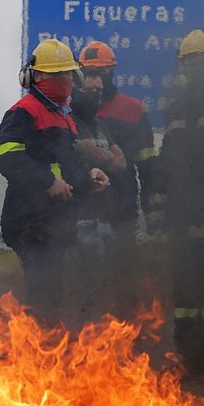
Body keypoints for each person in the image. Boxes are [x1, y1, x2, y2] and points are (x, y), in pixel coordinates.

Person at [0, 39, 110, 321]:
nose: (65, 81)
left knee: (53, 295)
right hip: (30, 222)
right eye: (57, 75)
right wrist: (47, 182)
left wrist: (87, 179)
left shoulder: (62, 116)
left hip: (54, 223)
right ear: (38, 77)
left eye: (68, 74)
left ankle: (46, 350)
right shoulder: (24, 111)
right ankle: (35, 353)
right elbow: (6, 156)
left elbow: (65, 168)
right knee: (43, 296)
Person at [78, 41, 159, 313]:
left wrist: (153, 211)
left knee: (123, 282)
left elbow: (147, 167)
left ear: (112, 72)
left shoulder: (132, 109)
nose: (94, 80)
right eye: (88, 73)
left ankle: (126, 344)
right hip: (82, 212)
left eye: (100, 73)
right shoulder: (70, 110)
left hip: (122, 211)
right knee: (84, 287)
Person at [153, 29, 204, 376]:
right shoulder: (175, 110)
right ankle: (190, 358)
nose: (195, 68)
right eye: (190, 62)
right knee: (185, 296)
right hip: (183, 221)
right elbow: (165, 164)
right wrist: (158, 211)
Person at [66, 69, 127, 325]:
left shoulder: (99, 126)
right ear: (77, 91)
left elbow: (120, 162)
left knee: (102, 290)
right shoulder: (70, 122)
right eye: (90, 91)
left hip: (105, 217)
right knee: (80, 291)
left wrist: (107, 158)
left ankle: (94, 346)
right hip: (81, 219)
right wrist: (106, 158)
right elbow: (97, 155)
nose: (96, 96)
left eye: (99, 92)